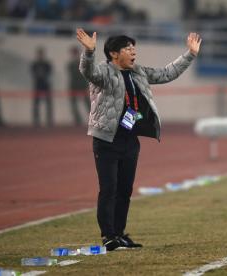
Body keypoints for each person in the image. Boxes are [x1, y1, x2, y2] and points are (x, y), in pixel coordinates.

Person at [76, 28, 201, 251]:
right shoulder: (103, 72)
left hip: (130, 138)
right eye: (127, 48)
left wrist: (189, 54)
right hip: (107, 139)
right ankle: (108, 236)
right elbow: (88, 72)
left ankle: (119, 233)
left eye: (134, 48)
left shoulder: (137, 71)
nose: (133, 51)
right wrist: (88, 52)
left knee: (125, 189)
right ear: (114, 54)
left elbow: (166, 73)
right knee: (109, 188)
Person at [67, 46, 90, 126]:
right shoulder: (70, 64)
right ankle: (77, 120)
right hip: (73, 85)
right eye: (73, 53)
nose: (74, 55)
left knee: (87, 103)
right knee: (73, 104)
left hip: (82, 85)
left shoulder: (83, 63)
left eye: (75, 53)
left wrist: (86, 85)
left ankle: (93, 119)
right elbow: (71, 75)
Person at [31, 47, 53, 127]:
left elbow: (49, 73)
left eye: (41, 54)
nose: (40, 55)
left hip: (46, 85)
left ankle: (49, 120)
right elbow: (33, 73)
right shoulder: (34, 64)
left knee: (48, 103)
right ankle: (36, 121)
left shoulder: (47, 64)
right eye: (39, 54)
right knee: (36, 104)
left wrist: (43, 76)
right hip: (37, 85)